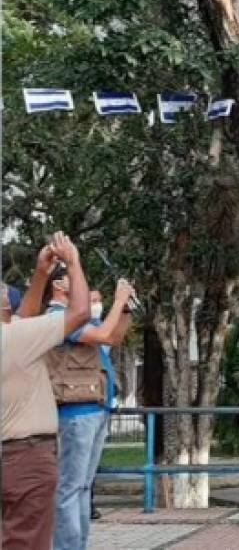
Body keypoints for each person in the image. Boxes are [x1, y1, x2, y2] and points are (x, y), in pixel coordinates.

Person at [2, 233, 91, 550]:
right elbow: (80, 313)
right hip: (25, 457)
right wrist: (73, 262)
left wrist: (41, 275)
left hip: (10, 453)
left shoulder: (14, 338)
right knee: (26, 541)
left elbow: (22, 320)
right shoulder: (15, 339)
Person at [44, 271, 135, 550]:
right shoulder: (59, 318)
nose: (83, 284)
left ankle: (77, 545)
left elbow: (113, 337)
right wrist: (117, 301)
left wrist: (126, 308)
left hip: (95, 409)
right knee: (70, 489)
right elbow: (104, 334)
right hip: (74, 412)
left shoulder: (77, 317)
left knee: (82, 487)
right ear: (58, 286)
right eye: (73, 278)